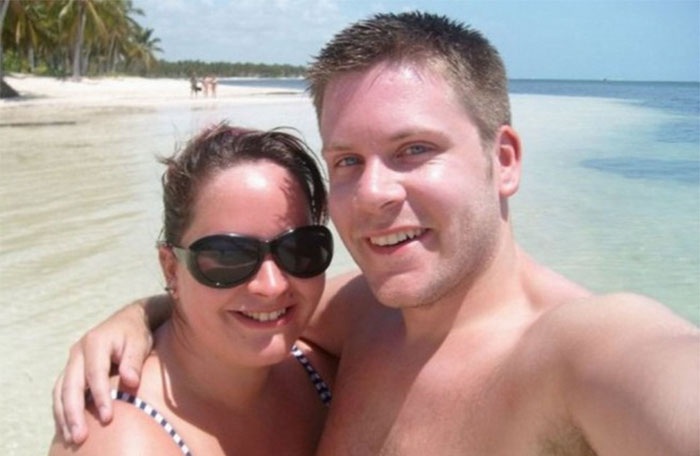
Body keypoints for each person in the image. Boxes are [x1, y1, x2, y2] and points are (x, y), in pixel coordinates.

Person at [54, 11, 699, 455]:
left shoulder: (580, 352)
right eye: (347, 161)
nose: (373, 193)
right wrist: (137, 315)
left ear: (503, 160)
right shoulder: (364, 314)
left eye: (414, 149)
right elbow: (252, 300)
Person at [48, 123, 336, 454]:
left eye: (300, 249)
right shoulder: (120, 439)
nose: (271, 286)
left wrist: (141, 312)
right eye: (228, 256)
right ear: (171, 268)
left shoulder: (327, 366)